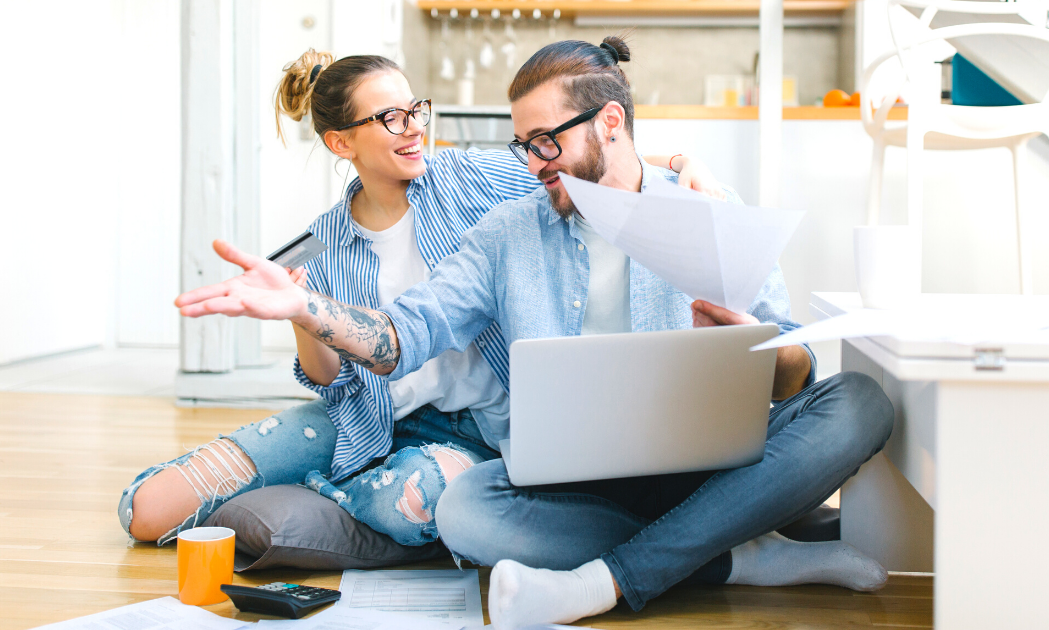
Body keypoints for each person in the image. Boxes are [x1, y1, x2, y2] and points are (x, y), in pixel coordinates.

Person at [173, 37, 895, 629]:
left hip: (714, 464)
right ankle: (738, 553)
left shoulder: (707, 211)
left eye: (547, 141)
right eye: (524, 145)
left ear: (610, 123)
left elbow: (795, 368)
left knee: (859, 401)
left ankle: (606, 580)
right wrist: (309, 312)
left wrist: (753, 344)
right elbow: (403, 336)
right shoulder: (505, 235)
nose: (533, 162)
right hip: (588, 487)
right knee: (468, 511)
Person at [119, 48, 726, 549]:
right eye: (389, 118)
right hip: (371, 418)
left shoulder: (470, 178)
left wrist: (677, 163)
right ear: (340, 143)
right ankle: (327, 488)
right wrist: (301, 313)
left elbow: (573, 158)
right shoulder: (323, 241)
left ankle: (327, 498)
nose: (413, 127)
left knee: (401, 503)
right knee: (146, 511)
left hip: (479, 429)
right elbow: (329, 378)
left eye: (415, 110)